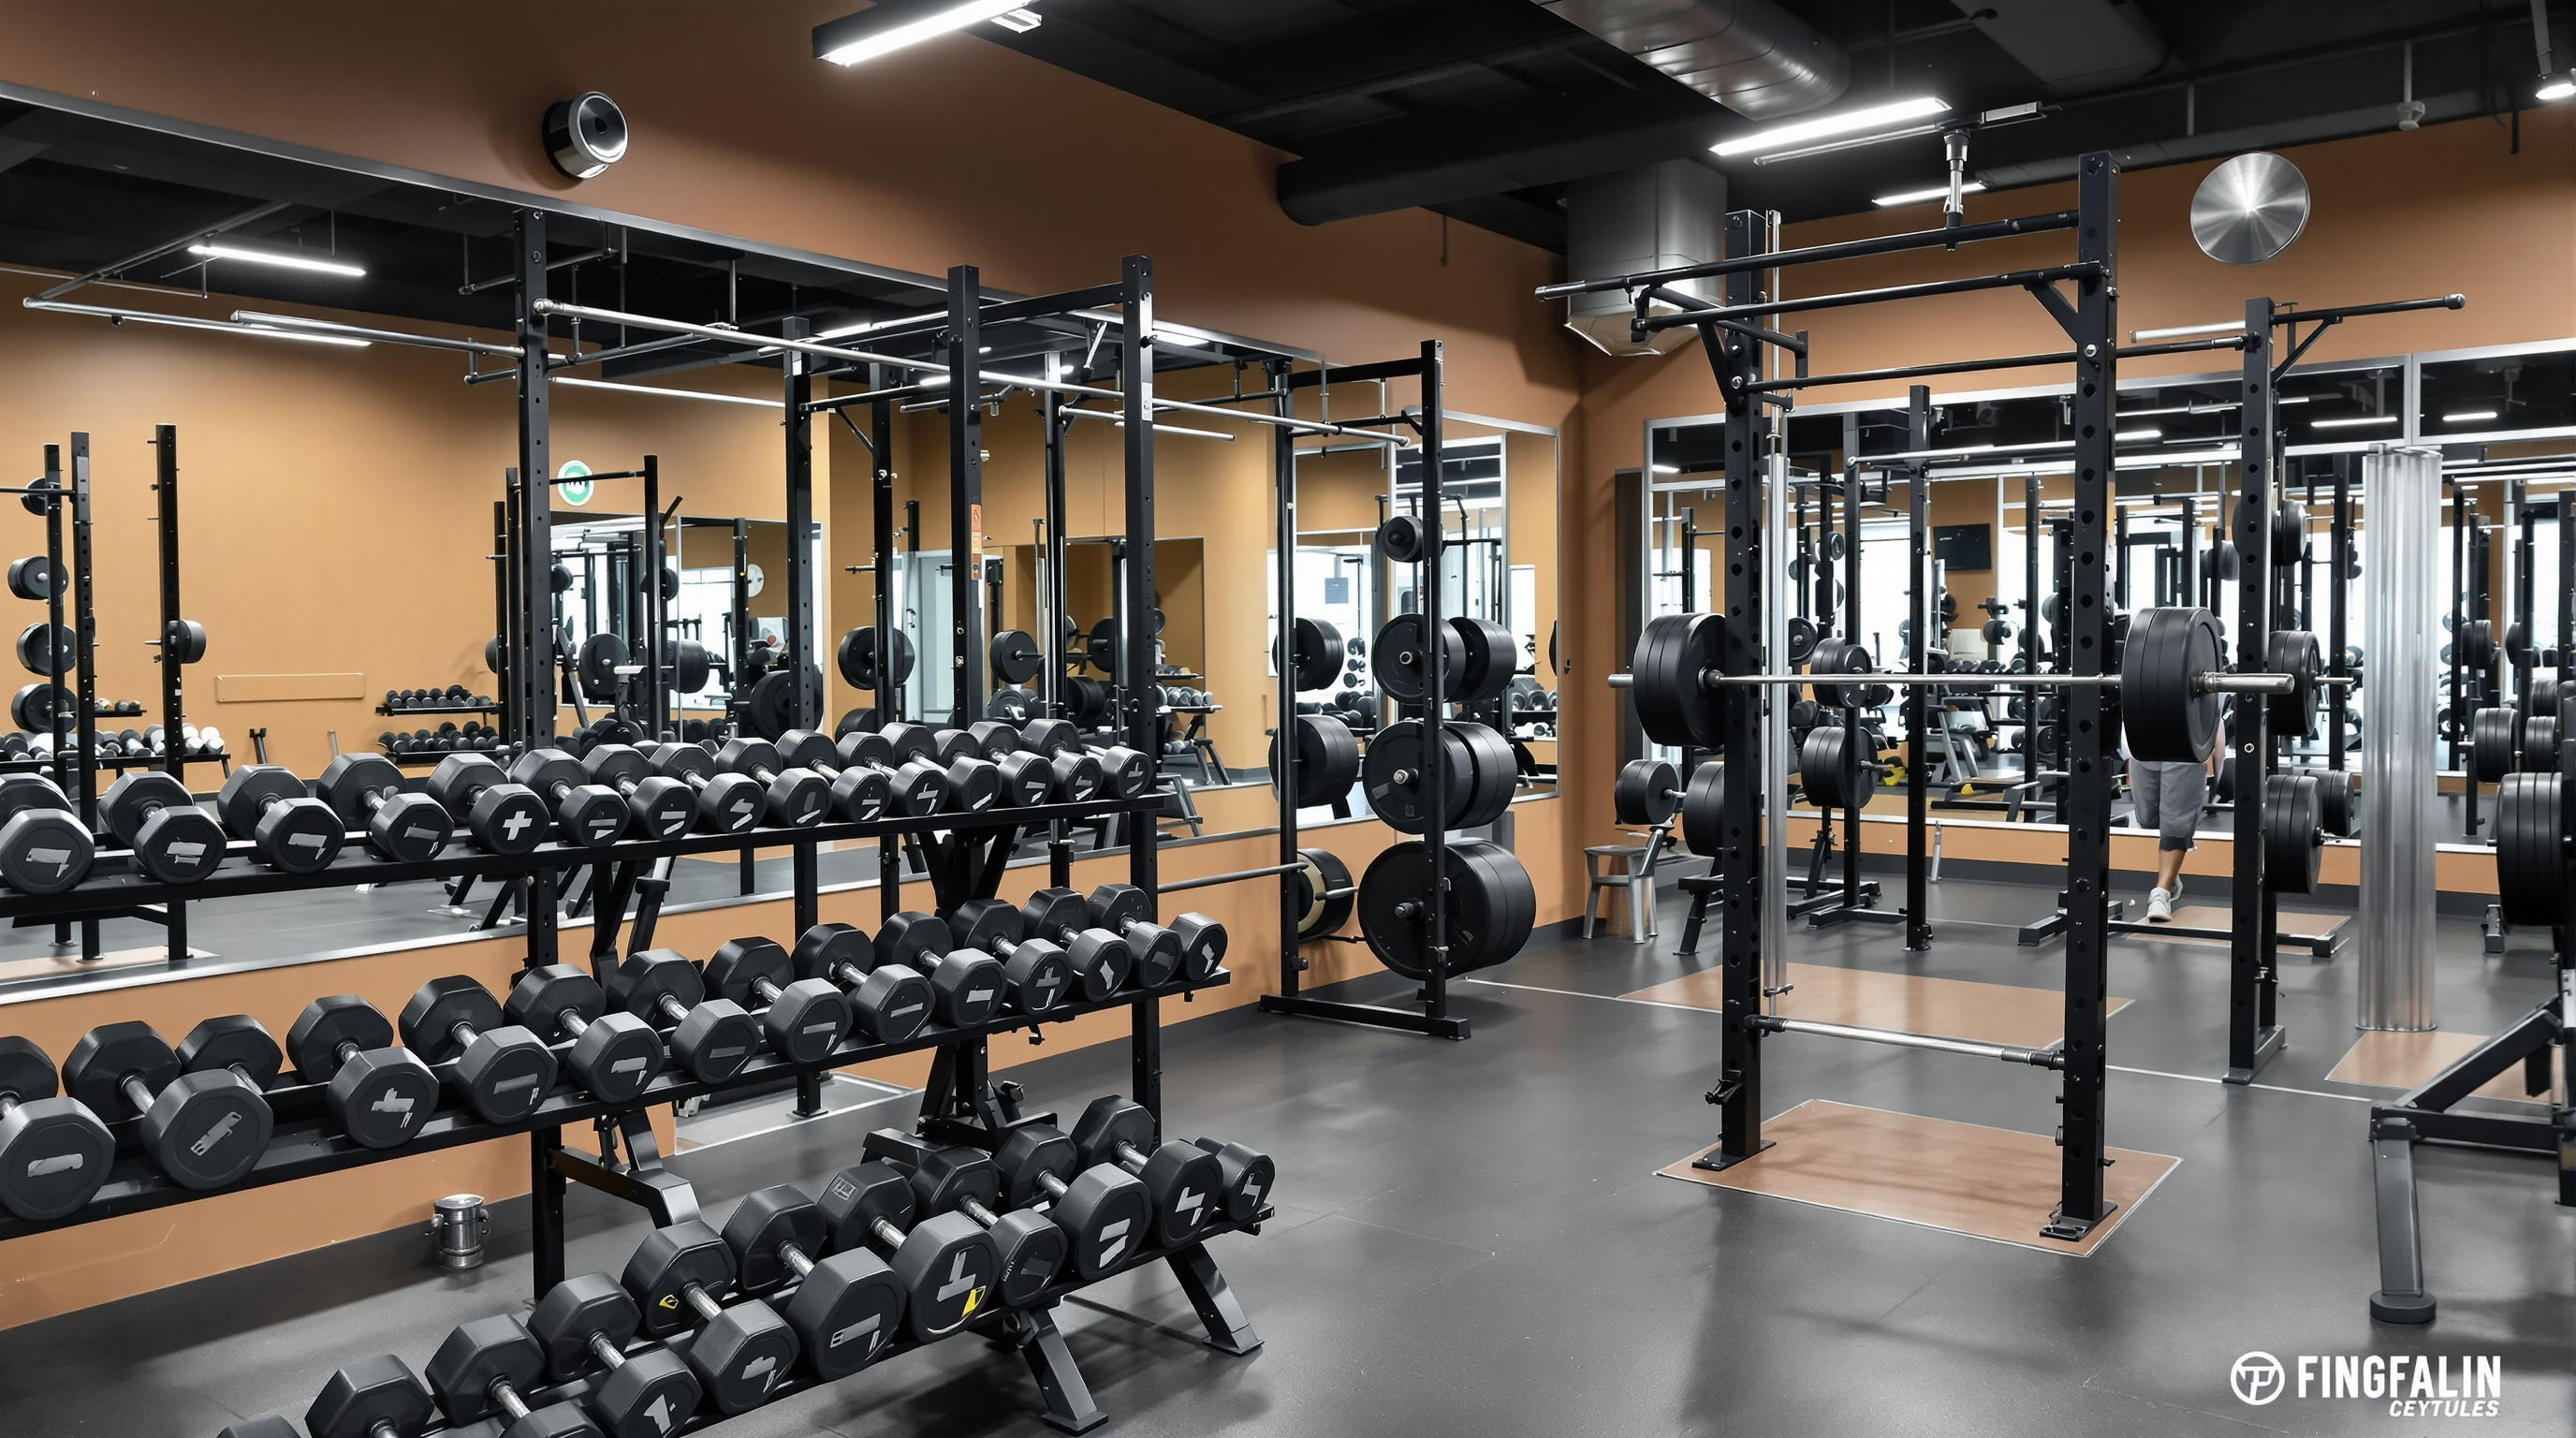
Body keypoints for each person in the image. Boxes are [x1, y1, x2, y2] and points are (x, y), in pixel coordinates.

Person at [2129, 754, 2208, 922]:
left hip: (2183, 750)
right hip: (2141, 749)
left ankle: (2161, 893)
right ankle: (2170, 875)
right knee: (2147, 819)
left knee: (2175, 823)